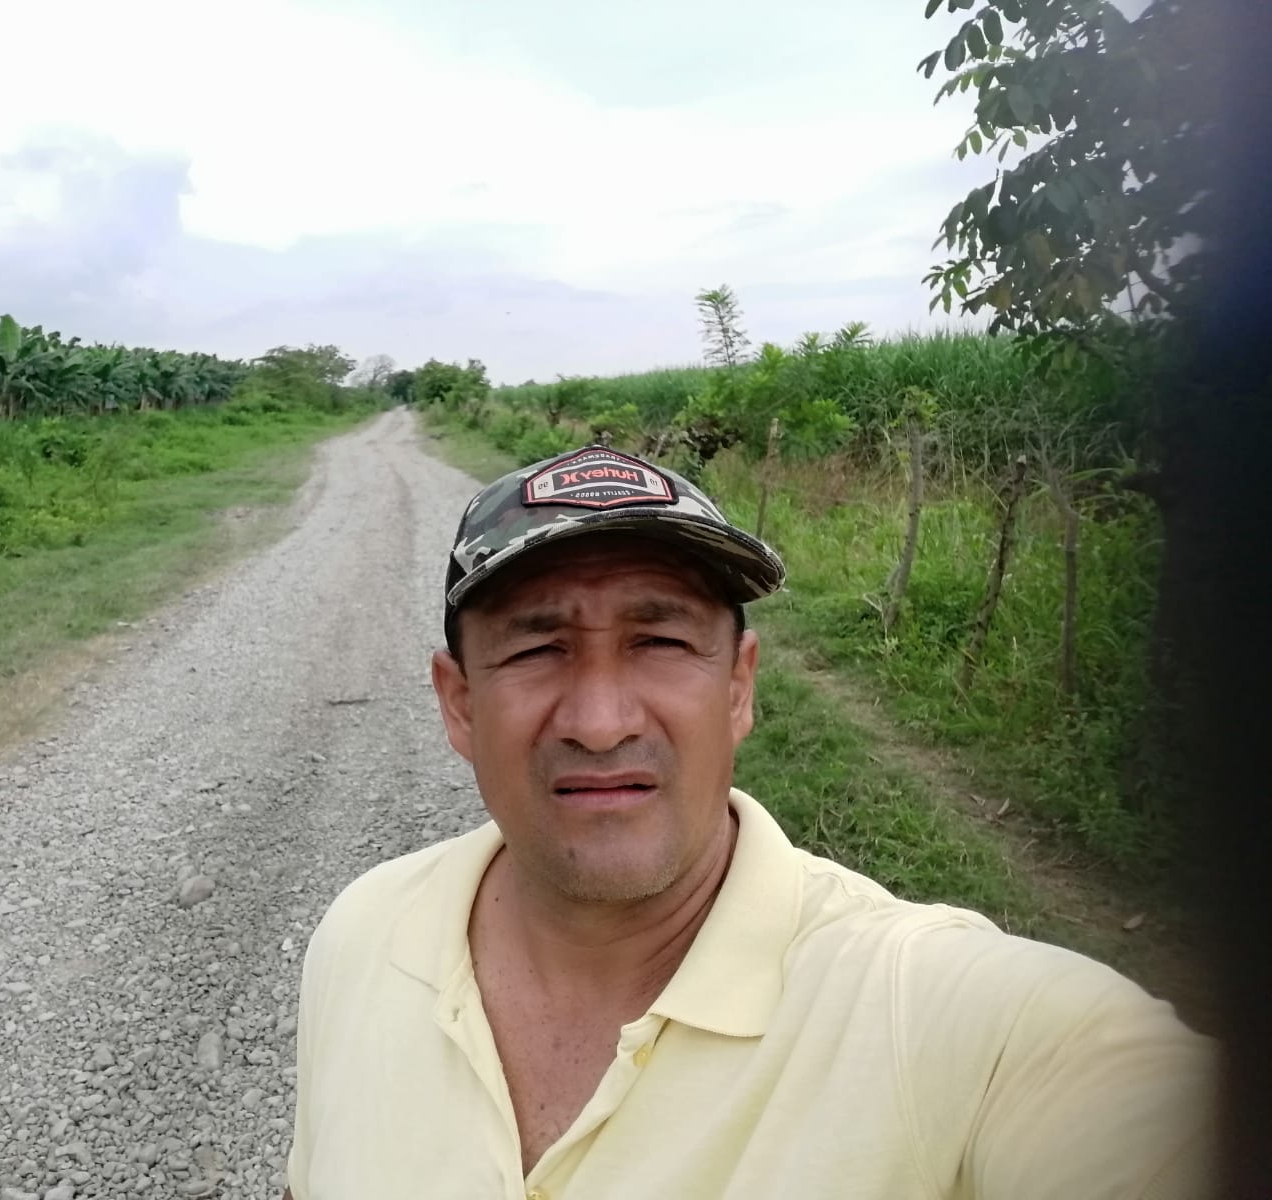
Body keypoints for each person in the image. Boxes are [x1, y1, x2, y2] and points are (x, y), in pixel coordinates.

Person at [282, 444, 1217, 1200]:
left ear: (738, 688)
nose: (600, 723)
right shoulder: (364, 934)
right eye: (537, 648)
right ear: (459, 705)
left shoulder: (948, 1020)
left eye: (659, 641)